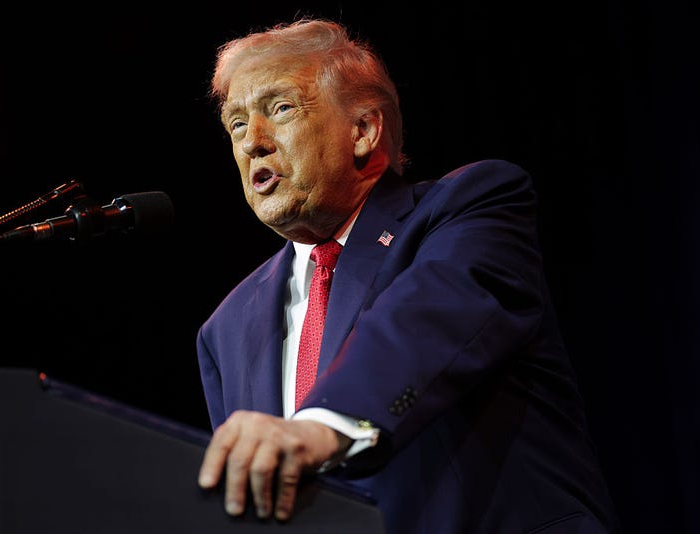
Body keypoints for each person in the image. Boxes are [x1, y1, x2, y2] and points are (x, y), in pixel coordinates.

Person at [195, 16, 620, 534]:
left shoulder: (469, 207)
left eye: (279, 108)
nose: (252, 143)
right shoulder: (226, 327)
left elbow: (424, 323)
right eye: (237, 125)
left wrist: (322, 426)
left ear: (363, 131)